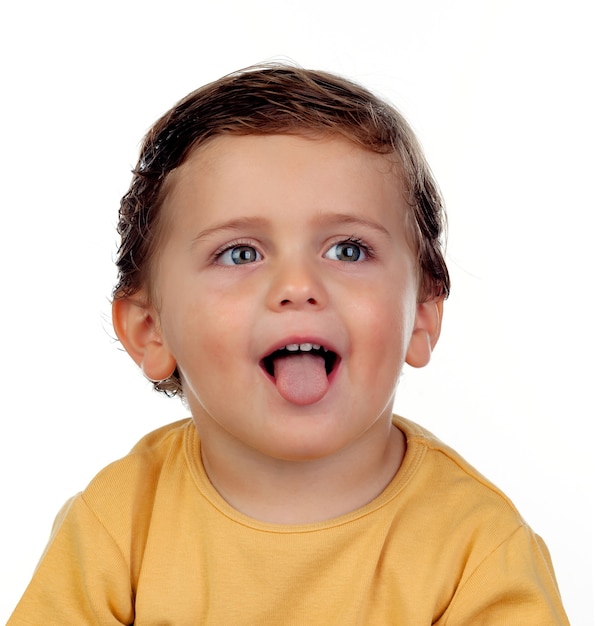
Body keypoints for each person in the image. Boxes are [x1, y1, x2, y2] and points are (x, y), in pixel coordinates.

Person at [9, 64, 569, 624]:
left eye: (348, 250)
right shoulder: (119, 527)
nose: (298, 287)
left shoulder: (478, 550)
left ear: (422, 316)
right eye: (241, 253)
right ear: (150, 330)